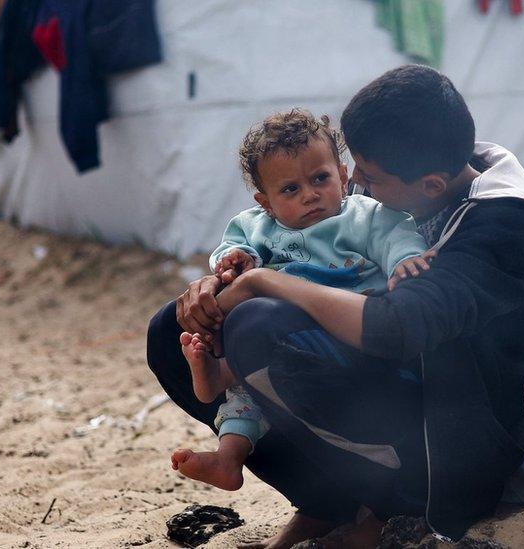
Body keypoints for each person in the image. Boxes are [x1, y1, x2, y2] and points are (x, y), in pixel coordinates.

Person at [148, 64, 524, 548]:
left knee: (260, 325)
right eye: (355, 170)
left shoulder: (500, 230)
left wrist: (263, 282)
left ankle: (395, 508)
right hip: (379, 384)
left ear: (429, 185)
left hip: (448, 450)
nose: (355, 185)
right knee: (172, 330)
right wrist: (225, 279)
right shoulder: (409, 170)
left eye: (368, 177)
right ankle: (328, 503)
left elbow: (395, 327)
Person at [169, 109, 430, 492]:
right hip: (276, 334)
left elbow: (397, 237)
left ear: (342, 175)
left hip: (340, 330)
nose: (310, 195)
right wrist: (236, 260)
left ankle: (221, 373)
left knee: (253, 348)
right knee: (247, 394)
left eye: (320, 178)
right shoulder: (257, 226)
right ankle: (229, 453)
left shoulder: (365, 217)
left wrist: (405, 261)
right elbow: (232, 249)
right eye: (290, 189)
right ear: (266, 202)